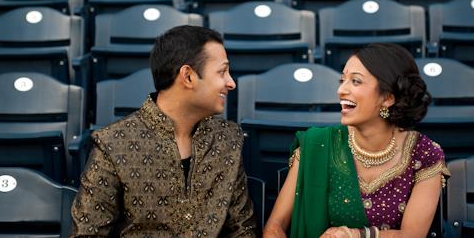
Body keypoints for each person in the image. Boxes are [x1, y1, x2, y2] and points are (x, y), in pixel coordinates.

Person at [71, 25, 257, 237]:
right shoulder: (112, 145)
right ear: (188, 76)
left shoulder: (228, 140)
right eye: (222, 72)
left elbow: (243, 230)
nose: (231, 83)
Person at [263, 43, 450, 238]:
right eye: (342, 80)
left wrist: (356, 235)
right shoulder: (317, 145)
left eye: (356, 81)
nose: (341, 91)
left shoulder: (424, 154)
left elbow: (412, 235)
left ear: (388, 97)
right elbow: (274, 227)